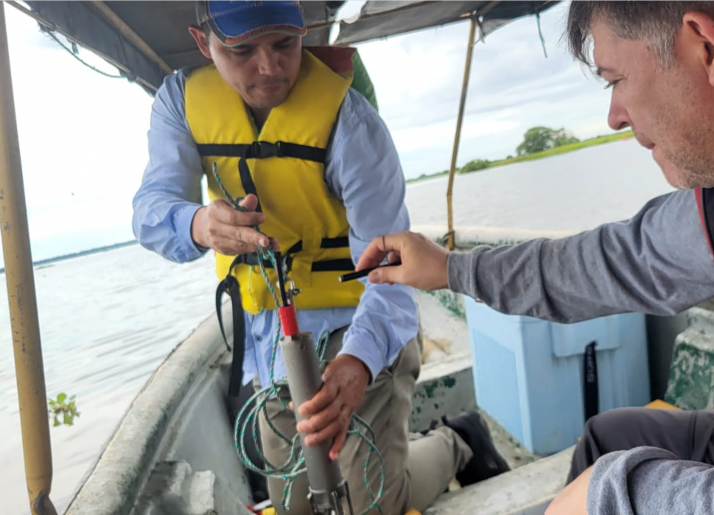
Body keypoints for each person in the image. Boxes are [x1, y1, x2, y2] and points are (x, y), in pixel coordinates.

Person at [356, 1, 714, 514]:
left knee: (609, 480)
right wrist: (452, 269)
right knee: (608, 439)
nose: (614, 115)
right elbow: (617, 260)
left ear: (705, 47)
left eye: (615, 80)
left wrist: (621, 497)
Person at [131, 2, 508, 513]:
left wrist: (356, 364)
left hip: (362, 325)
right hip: (271, 342)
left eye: (284, 44)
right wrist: (196, 223)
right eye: (242, 51)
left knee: (371, 505)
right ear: (204, 43)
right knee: (294, 507)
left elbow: (392, 272)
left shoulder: (350, 121)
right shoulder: (179, 101)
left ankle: (456, 441)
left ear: (303, 31)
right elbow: (151, 214)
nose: (269, 68)